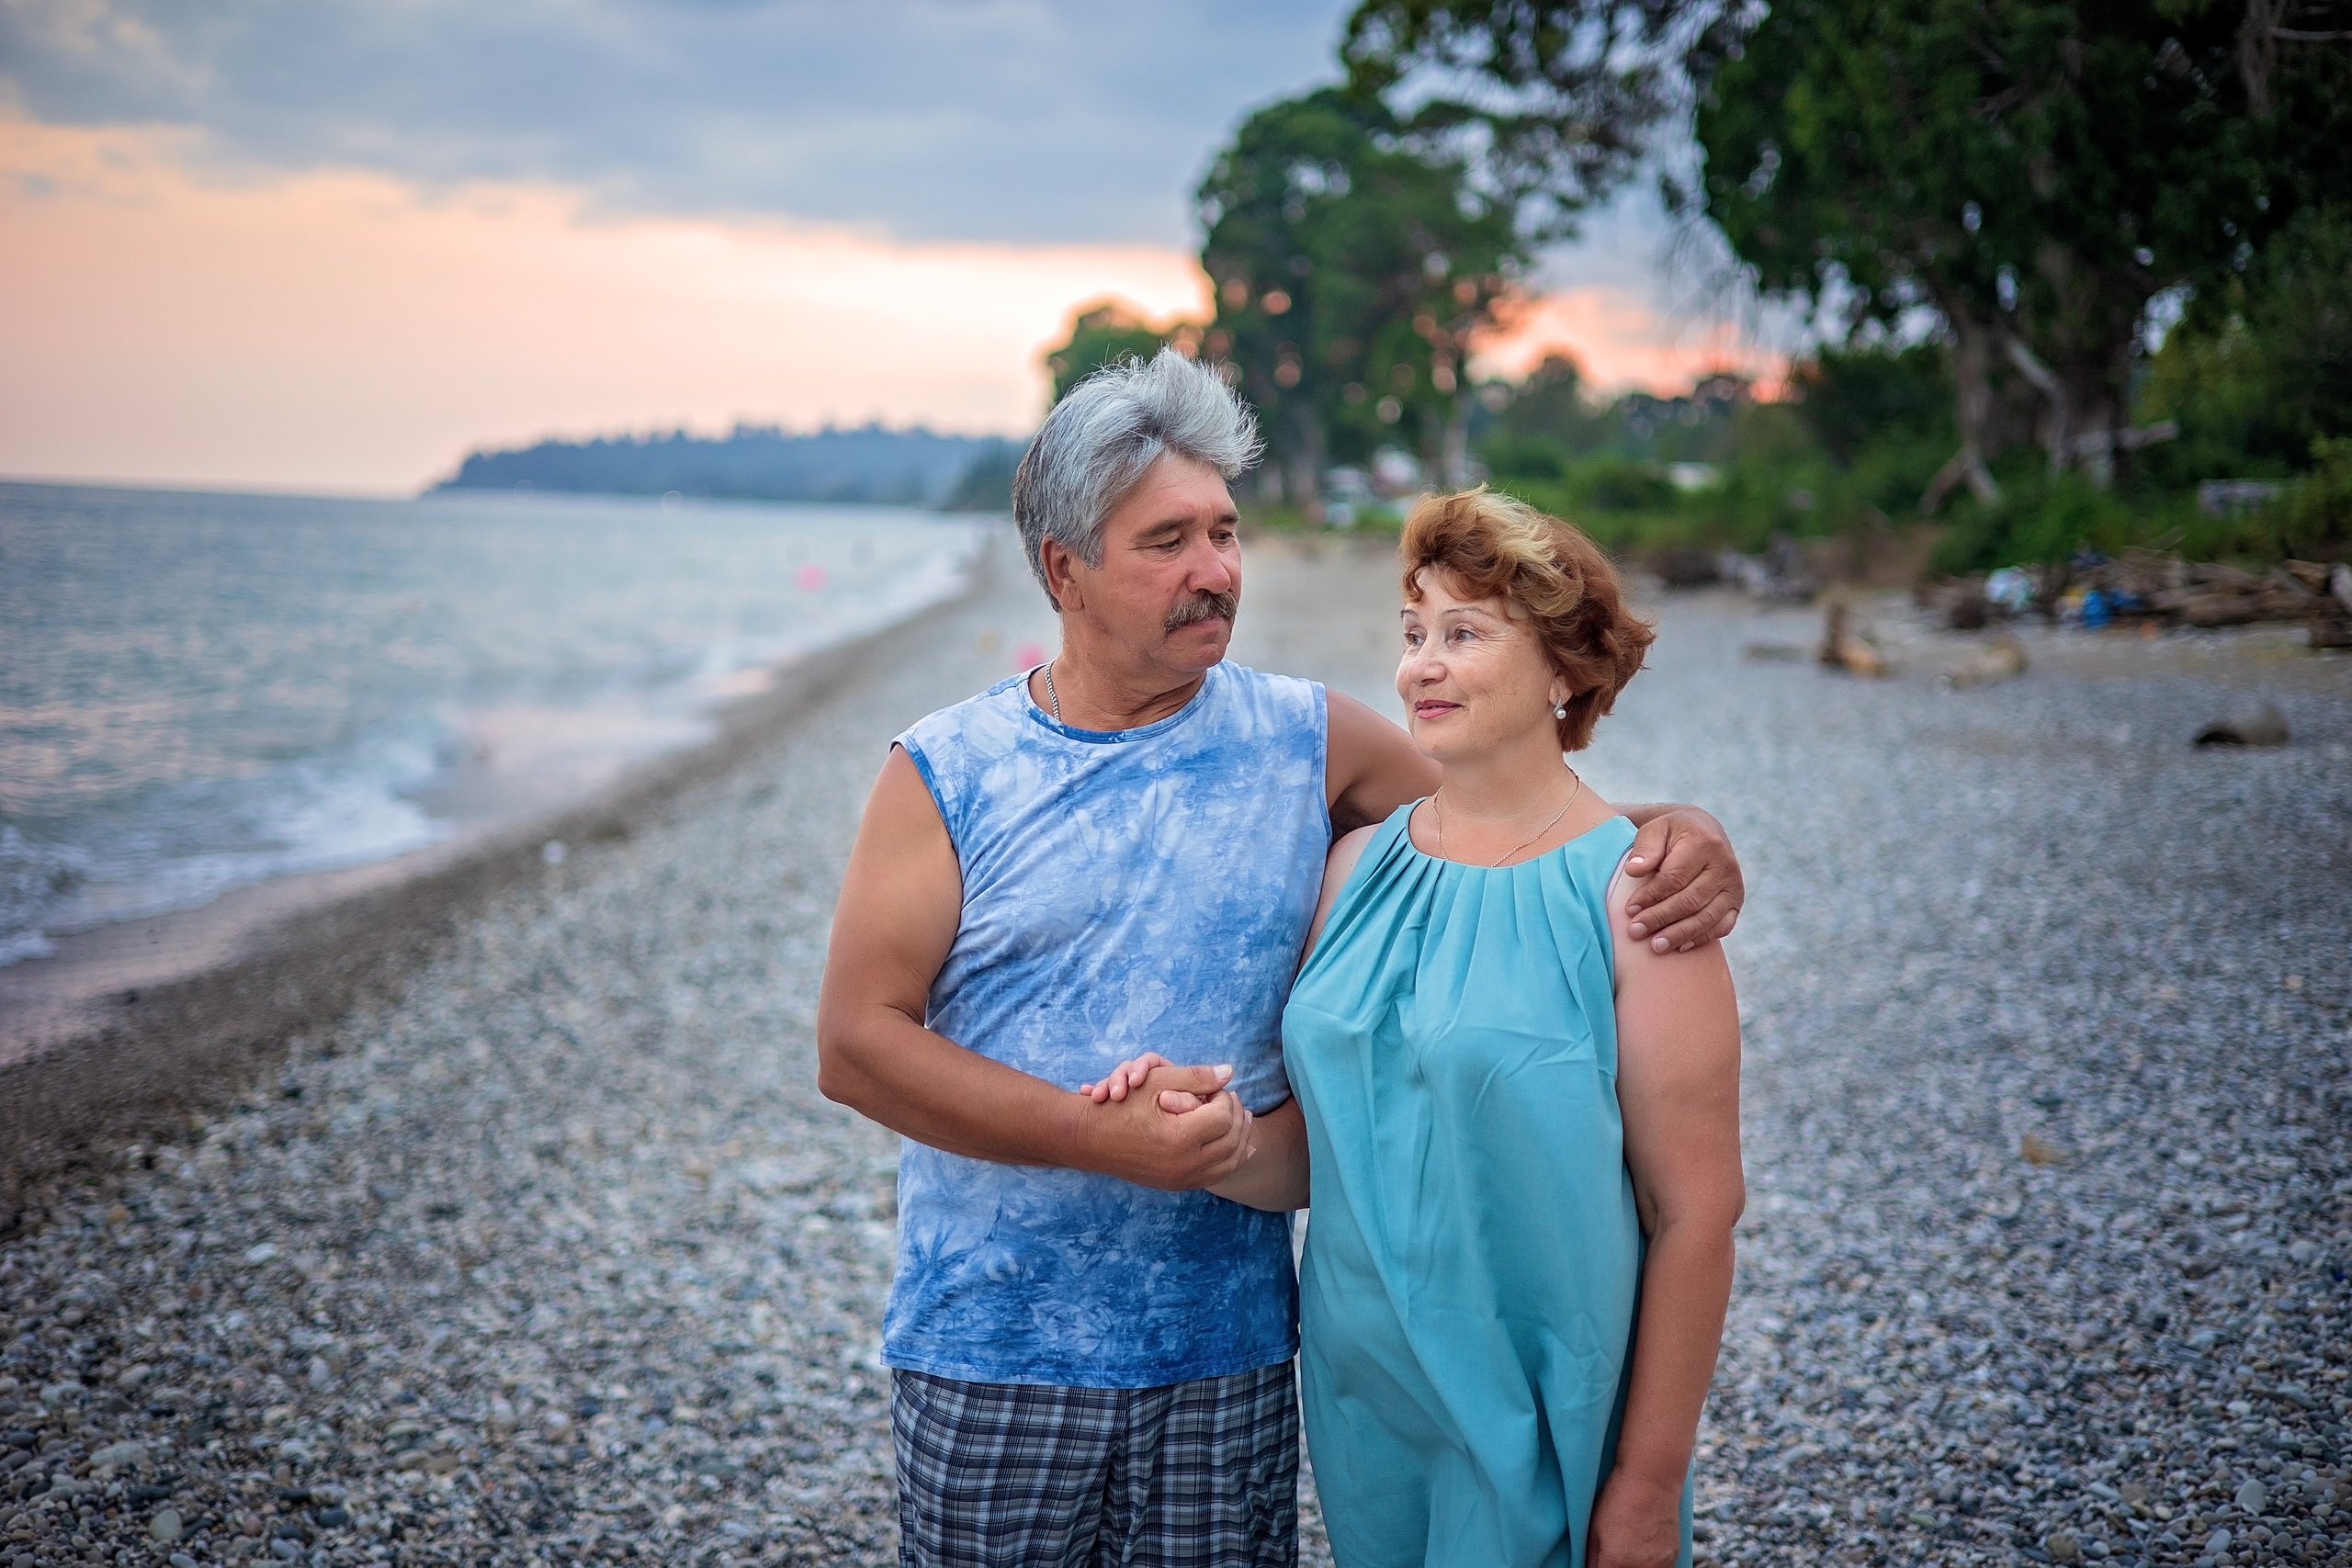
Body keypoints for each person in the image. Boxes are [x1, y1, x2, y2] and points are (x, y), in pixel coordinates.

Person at [815, 349, 1746, 1567]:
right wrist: (1093, 1131)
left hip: (1237, 1356)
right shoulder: (948, 769)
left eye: (1226, 530)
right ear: (1063, 569)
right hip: (995, 1347)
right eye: (1166, 543)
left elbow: (1523, 823)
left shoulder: (1306, 740)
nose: (1216, 571)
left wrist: (1679, 828)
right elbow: (856, 1044)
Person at [1100, 489, 1743, 1567]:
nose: (1420, 666)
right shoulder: (1352, 872)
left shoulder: (1638, 902)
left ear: (1565, 673)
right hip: (1363, 1402)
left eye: (1464, 634)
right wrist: (1212, 1139)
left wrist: (1647, 1483)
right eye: (1411, 634)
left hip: (1541, 1399)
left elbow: (1698, 1213)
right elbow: (1331, 1144)